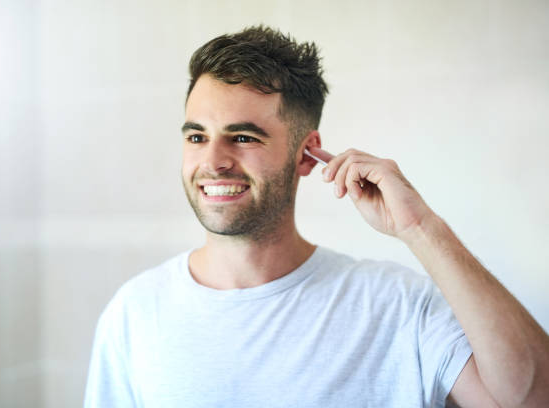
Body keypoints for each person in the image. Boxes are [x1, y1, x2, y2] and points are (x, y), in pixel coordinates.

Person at [84, 26, 549, 408]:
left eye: (243, 137)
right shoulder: (135, 313)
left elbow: (533, 397)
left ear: (307, 154)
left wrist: (421, 229)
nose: (214, 160)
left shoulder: (397, 305)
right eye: (196, 137)